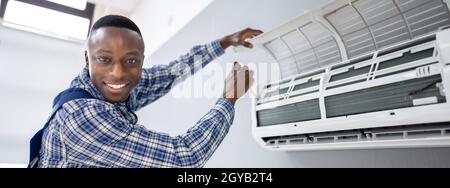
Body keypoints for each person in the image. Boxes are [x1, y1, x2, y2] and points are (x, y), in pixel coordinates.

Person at [36, 15, 263, 168]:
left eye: (130, 60)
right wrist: (229, 97)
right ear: (87, 59)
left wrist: (225, 42)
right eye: (104, 59)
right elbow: (184, 158)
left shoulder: (109, 87)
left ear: (141, 61)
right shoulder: (82, 117)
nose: (117, 73)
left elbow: (173, 72)